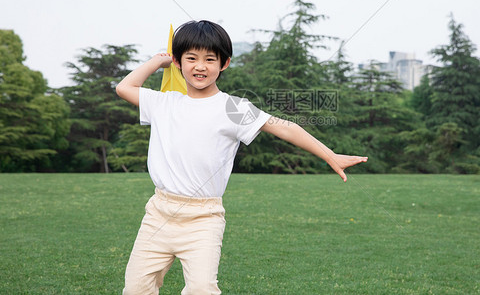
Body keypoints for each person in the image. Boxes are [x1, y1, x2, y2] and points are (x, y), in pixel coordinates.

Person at [115, 20, 368, 294]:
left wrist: (330, 155)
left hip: (203, 218)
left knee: (202, 289)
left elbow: (286, 128)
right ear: (178, 62)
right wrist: (157, 61)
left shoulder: (233, 108)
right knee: (136, 288)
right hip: (158, 214)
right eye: (191, 58)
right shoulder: (164, 103)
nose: (200, 66)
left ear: (224, 64)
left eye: (210, 59)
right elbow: (124, 87)